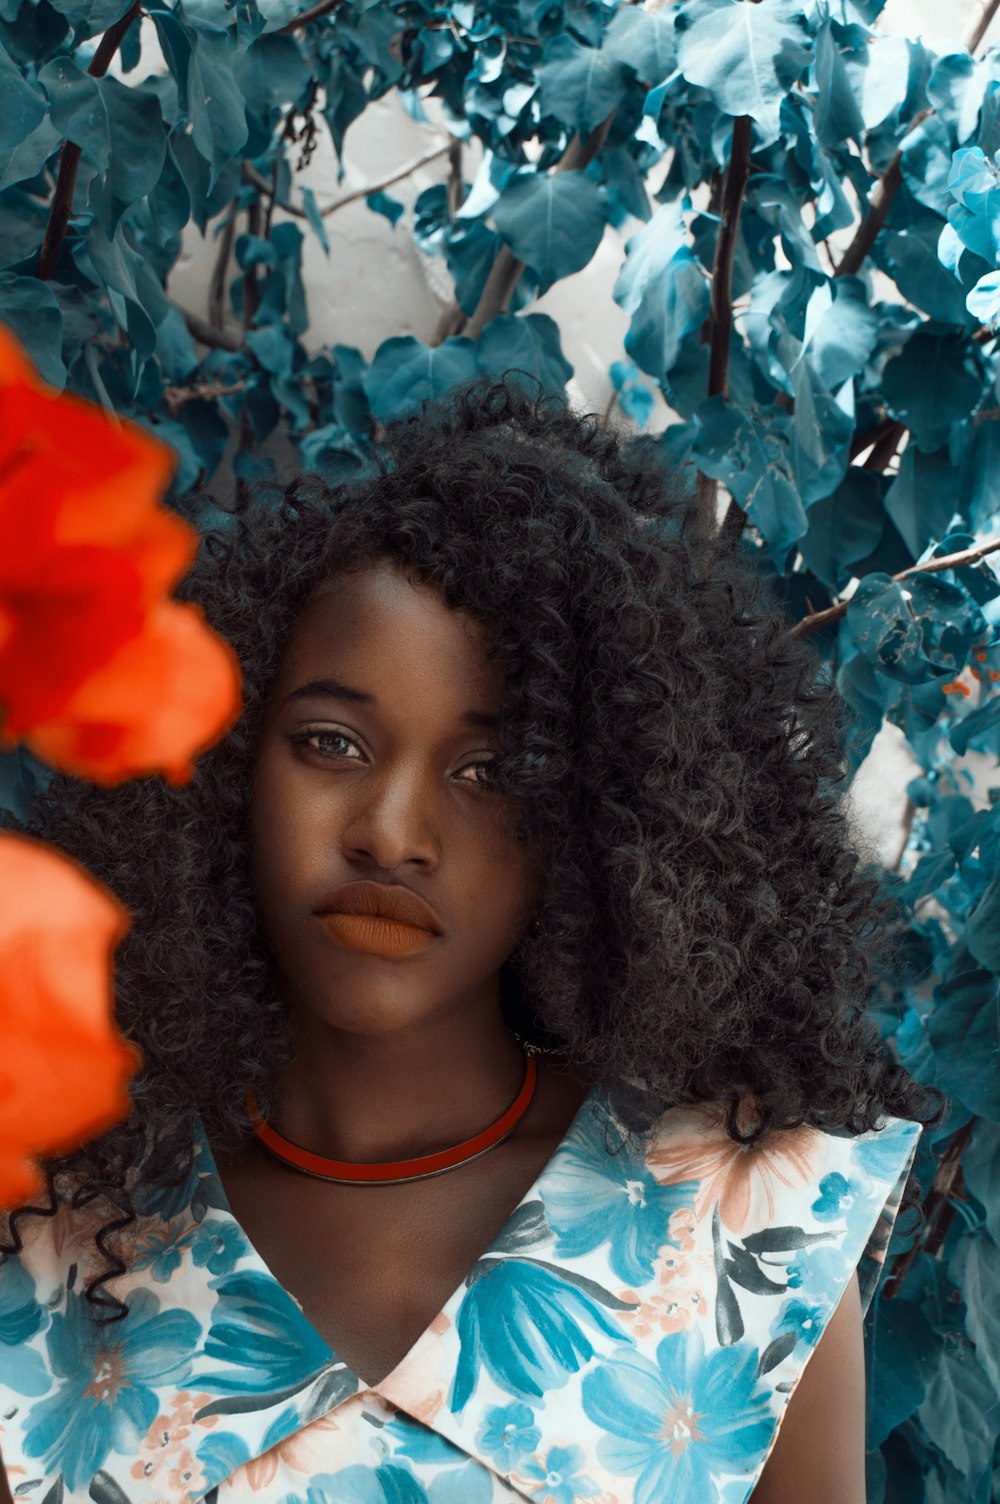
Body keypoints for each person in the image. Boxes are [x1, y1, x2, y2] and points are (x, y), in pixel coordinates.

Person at [0, 376, 942, 1504]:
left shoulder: (748, 1228)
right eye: (332, 744)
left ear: (597, 822)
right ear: (224, 760)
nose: (393, 834)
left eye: (491, 771)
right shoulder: (52, 1236)